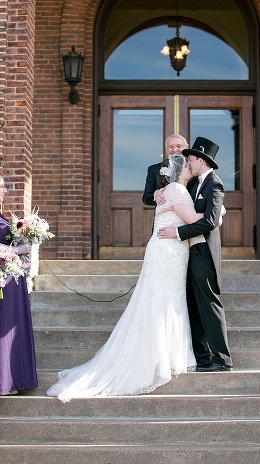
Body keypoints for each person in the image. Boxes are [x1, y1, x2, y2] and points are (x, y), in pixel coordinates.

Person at [47, 154, 200, 402]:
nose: (192, 165)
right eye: (188, 162)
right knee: (165, 300)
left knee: (160, 300)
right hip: (168, 252)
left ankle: (166, 355)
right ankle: (163, 358)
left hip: (165, 250)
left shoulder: (169, 189)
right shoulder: (178, 190)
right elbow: (192, 219)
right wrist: (218, 212)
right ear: (182, 169)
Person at [157, 136, 232, 372]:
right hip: (191, 251)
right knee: (194, 305)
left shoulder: (214, 184)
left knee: (209, 304)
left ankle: (221, 359)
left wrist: (177, 232)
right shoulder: (195, 183)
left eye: (190, 159)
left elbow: (210, 221)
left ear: (200, 160)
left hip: (204, 252)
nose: (188, 162)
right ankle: (201, 357)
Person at [0, 174, 36, 396]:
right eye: (0, 187)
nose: (4, 190)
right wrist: (17, 251)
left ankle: (13, 378)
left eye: (4, 187)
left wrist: (22, 257)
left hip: (11, 279)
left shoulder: (2, 216)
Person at [143, 134, 189, 207]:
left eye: (179, 146)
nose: (174, 150)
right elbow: (146, 198)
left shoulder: (193, 168)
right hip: (165, 215)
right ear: (166, 149)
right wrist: (155, 195)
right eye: (170, 147)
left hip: (189, 214)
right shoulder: (154, 169)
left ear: (186, 147)